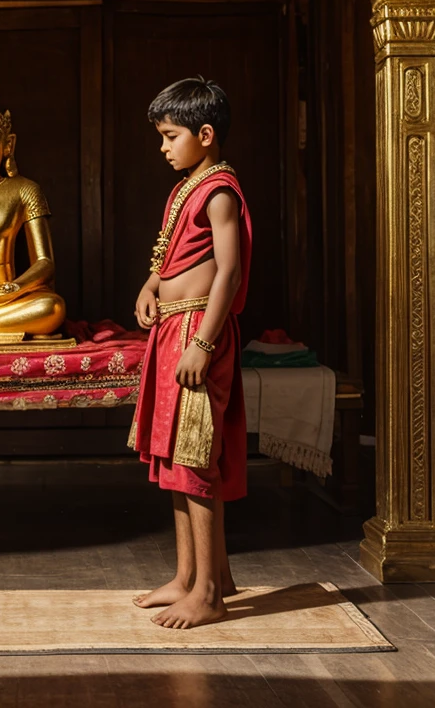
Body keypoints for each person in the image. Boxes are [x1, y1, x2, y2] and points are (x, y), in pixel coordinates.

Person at [128, 76, 252, 628]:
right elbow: (170, 254)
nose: (162, 147)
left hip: (198, 334)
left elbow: (229, 270)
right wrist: (151, 286)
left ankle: (208, 595)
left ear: (205, 134)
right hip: (171, 331)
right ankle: (192, 576)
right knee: (175, 461)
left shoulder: (220, 190)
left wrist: (203, 341)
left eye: (170, 135)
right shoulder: (184, 187)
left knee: (195, 460)